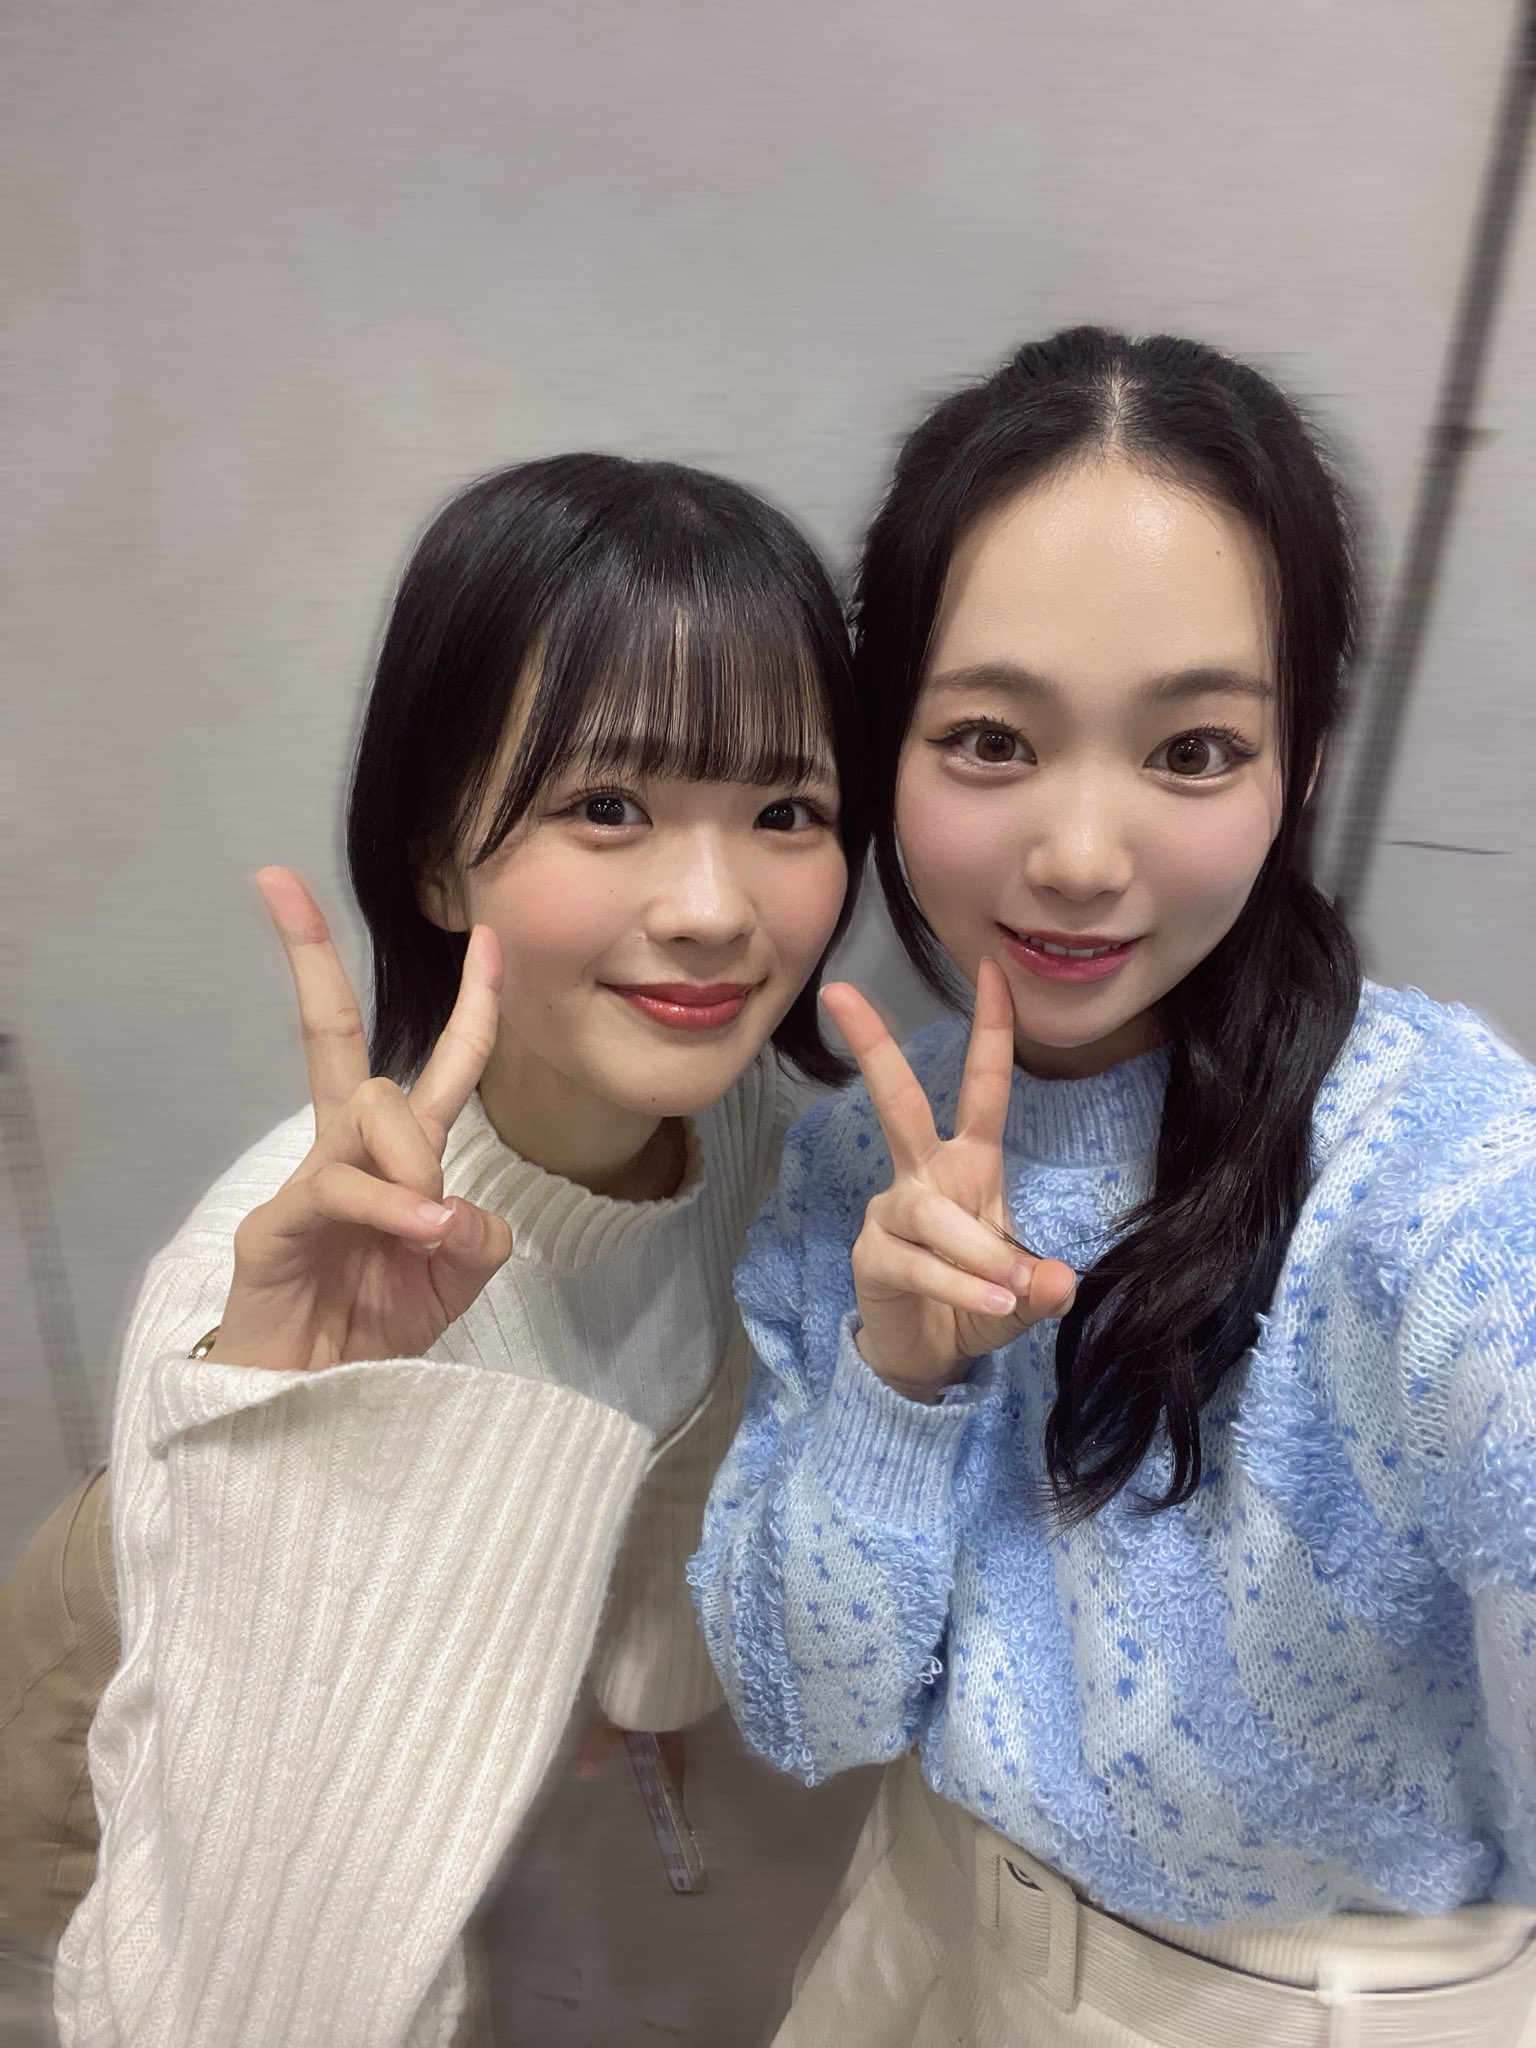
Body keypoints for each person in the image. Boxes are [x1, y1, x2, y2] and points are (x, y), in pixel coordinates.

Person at [691, 327, 1536, 2045]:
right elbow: (804, 1713)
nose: (1080, 859)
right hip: (915, 1943)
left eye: (1193, 750)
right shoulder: (861, 1154)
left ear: (1300, 763)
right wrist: (893, 1383)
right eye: (990, 740)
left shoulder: (1446, 1177)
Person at [38, 451, 869, 2046]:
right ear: (435, 854)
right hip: (126, 1649)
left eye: (785, 811)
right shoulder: (264, 1304)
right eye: (608, 806)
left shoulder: (769, 1136)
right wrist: (314, 1475)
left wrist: (628, 1660)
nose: (715, 907)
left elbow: (688, 1432)